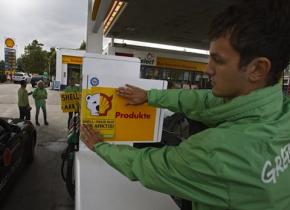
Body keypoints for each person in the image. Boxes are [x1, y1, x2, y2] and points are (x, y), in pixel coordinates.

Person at [81, 0, 290, 209]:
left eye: (218, 60)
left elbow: (147, 166)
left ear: (258, 69)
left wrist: (101, 146)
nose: (207, 69)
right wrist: (150, 96)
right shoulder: (281, 109)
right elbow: (206, 100)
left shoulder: (218, 151)